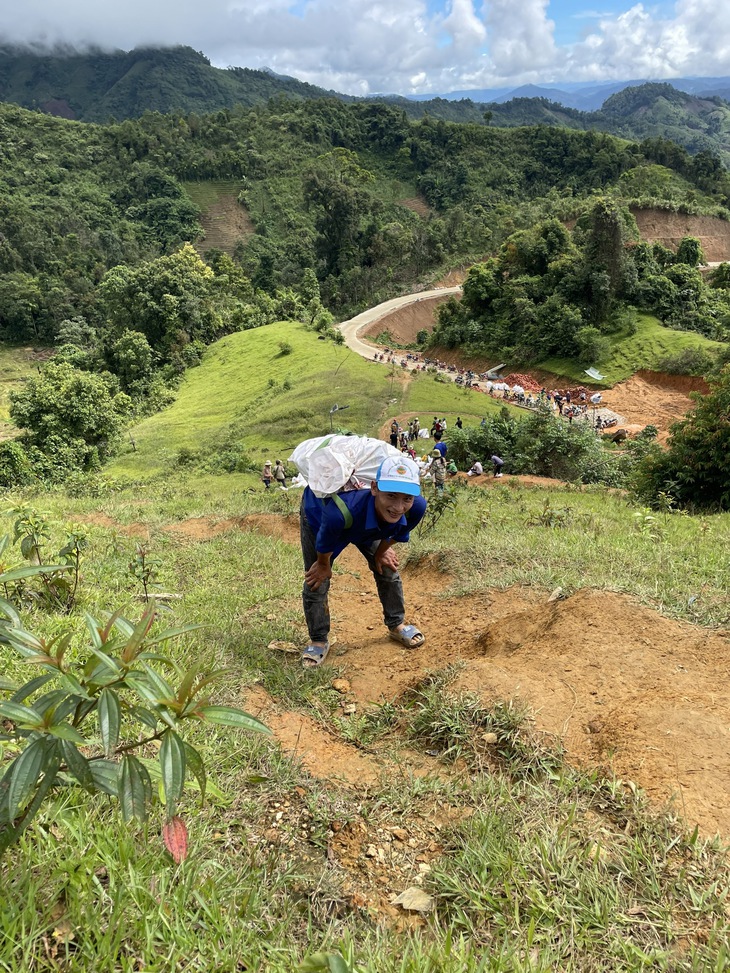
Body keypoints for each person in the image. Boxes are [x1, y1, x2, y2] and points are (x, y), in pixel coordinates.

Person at [299, 456, 427, 668]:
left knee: (387, 566)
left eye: (407, 498)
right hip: (320, 516)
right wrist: (323, 564)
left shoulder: (416, 507)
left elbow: (402, 530)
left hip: (370, 520)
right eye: (391, 495)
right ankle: (318, 639)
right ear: (375, 488)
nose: (398, 506)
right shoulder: (338, 513)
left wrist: (382, 551)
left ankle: (396, 624)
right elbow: (324, 541)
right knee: (316, 580)